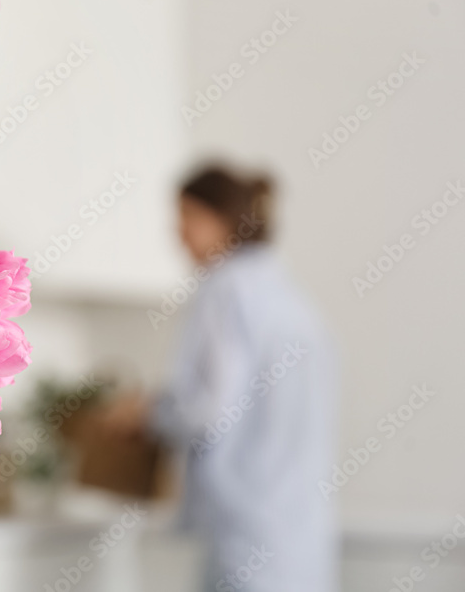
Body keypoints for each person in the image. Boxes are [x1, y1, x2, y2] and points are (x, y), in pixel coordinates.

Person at [105, 164, 338, 592]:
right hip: (298, 533)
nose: (178, 233)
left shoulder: (225, 290)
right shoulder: (292, 300)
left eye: (187, 218)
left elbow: (208, 409)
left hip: (245, 529)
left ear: (224, 219)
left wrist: (149, 412)